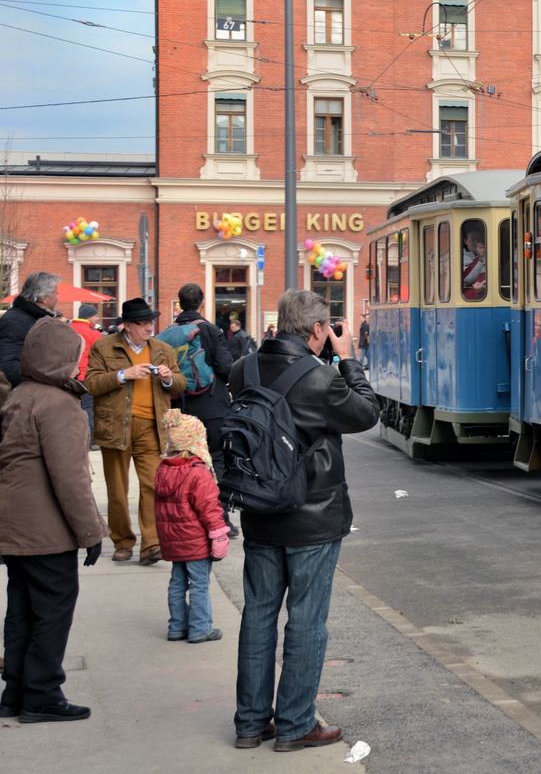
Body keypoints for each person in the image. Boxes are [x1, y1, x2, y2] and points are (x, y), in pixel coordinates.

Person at [231, 288, 378, 752]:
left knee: (257, 614)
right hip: (312, 516)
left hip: (259, 509)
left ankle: (251, 722)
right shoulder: (320, 379)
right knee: (306, 621)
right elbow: (367, 412)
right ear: (318, 330)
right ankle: (295, 723)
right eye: (327, 329)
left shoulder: (243, 369)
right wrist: (348, 358)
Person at [0, 317, 107, 723]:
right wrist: (91, 532)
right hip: (44, 530)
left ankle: (16, 692)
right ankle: (42, 693)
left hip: (15, 525)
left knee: (21, 611)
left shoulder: (21, 393)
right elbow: (70, 478)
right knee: (52, 611)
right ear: (64, 358)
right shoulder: (58, 403)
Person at [84, 298, 186, 565]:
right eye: (141, 323)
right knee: (117, 490)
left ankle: (151, 543)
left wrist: (167, 378)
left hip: (152, 427)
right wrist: (123, 374)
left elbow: (180, 382)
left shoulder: (162, 348)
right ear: (126, 325)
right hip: (116, 426)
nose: (148, 328)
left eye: (150, 322)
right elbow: (91, 384)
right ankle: (123, 541)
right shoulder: (104, 346)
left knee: (153, 485)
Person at [154, 412, 228, 644]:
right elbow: (210, 509)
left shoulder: (163, 469)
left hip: (173, 540)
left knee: (177, 582)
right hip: (195, 541)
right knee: (199, 584)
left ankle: (177, 626)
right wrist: (218, 536)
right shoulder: (198, 472)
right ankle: (200, 629)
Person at [166, 284, 236, 460]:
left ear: (180, 304)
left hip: (179, 406)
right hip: (211, 406)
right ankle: (212, 488)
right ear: (202, 303)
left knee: (185, 459)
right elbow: (225, 366)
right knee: (216, 457)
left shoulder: (168, 333)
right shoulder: (211, 330)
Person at [0, 271, 62, 393]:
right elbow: (9, 366)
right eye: (56, 294)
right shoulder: (15, 321)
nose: (58, 298)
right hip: (24, 400)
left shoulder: (36, 318)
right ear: (44, 297)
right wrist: (45, 382)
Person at [69, 305, 104, 443]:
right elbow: (101, 355)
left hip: (69, 375)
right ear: (89, 316)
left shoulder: (68, 328)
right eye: (96, 316)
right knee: (88, 407)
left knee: (72, 407)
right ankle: (89, 440)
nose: (98, 318)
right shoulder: (93, 333)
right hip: (86, 375)